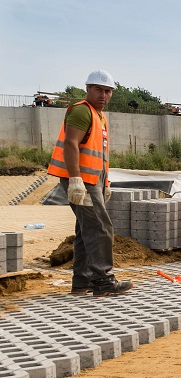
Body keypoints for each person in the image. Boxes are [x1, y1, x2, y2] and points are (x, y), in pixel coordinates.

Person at [47, 69, 133, 297]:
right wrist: (75, 179)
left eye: (107, 91)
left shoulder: (99, 116)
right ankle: (103, 280)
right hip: (81, 180)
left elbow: (98, 154)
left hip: (92, 180)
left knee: (87, 230)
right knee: (101, 228)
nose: (103, 95)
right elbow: (71, 144)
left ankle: (82, 282)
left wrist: (105, 183)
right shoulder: (82, 112)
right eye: (98, 90)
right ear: (88, 89)